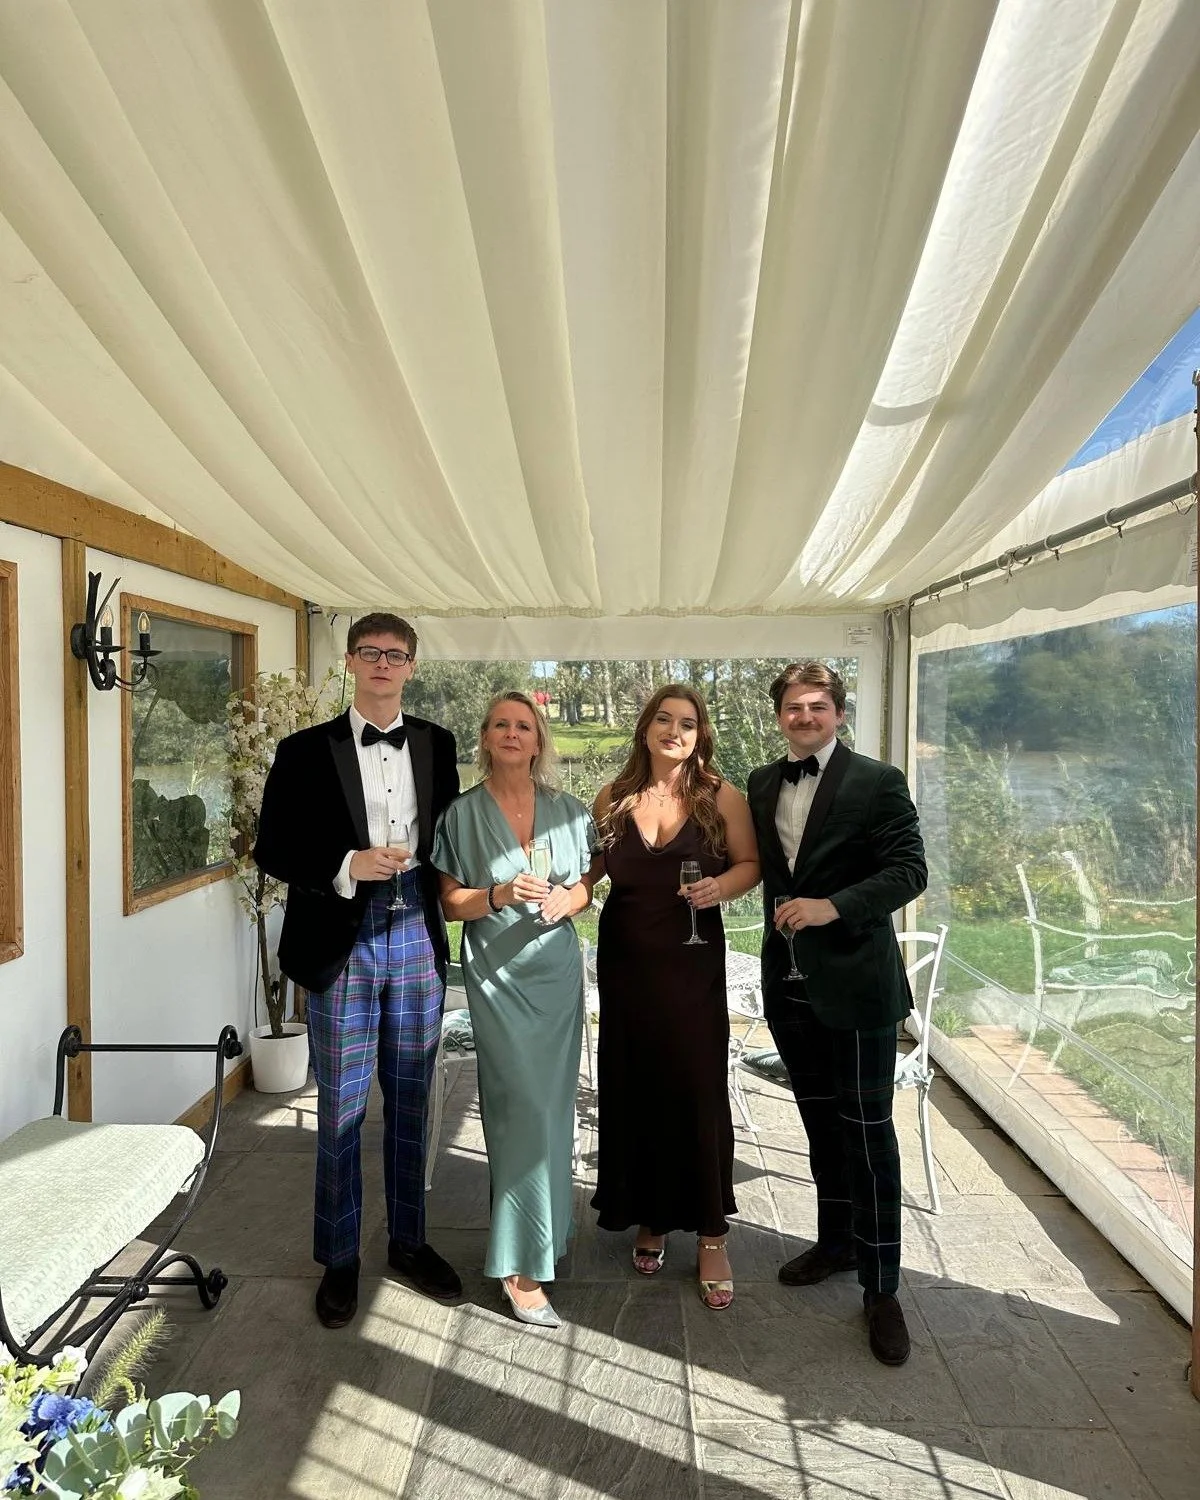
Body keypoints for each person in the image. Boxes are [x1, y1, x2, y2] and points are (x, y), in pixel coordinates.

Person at [253, 612, 461, 1329]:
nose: (382, 664)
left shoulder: (438, 742)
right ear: (348, 662)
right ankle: (340, 1259)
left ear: (410, 666)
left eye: (395, 655)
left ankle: (409, 1242)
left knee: (411, 1102)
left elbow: (452, 837)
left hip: (415, 937)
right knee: (340, 1108)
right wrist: (347, 864)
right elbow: (272, 847)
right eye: (369, 653)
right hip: (341, 937)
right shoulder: (304, 749)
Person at [746, 660, 927, 1366]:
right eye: (793, 706)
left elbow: (910, 871)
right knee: (820, 1123)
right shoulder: (763, 782)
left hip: (856, 985)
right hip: (788, 984)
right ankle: (836, 1241)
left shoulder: (877, 781)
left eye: (817, 706)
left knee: (868, 1133)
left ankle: (882, 1288)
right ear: (780, 714)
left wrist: (832, 907)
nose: (804, 716)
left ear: (839, 713)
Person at [432, 692, 600, 1328]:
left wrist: (573, 900)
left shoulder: (569, 811)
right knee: (516, 1110)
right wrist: (498, 893)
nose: (511, 733)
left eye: (523, 726)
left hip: (556, 977)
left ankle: (544, 1242)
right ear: (485, 737)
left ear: (539, 742)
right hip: (497, 978)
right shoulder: (461, 814)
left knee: (553, 1111)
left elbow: (589, 881)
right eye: (501, 724)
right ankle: (519, 1264)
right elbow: (450, 905)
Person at [591, 685, 760, 1309]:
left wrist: (721, 887)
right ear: (645, 728)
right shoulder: (612, 798)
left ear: (700, 735)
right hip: (628, 962)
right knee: (636, 1087)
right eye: (664, 719)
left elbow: (750, 864)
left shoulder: (722, 798)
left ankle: (713, 1232)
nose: (674, 731)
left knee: (695, 1087)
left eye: (687, 723)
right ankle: (650, 1215)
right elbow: (591, 872)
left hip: (692, 960)